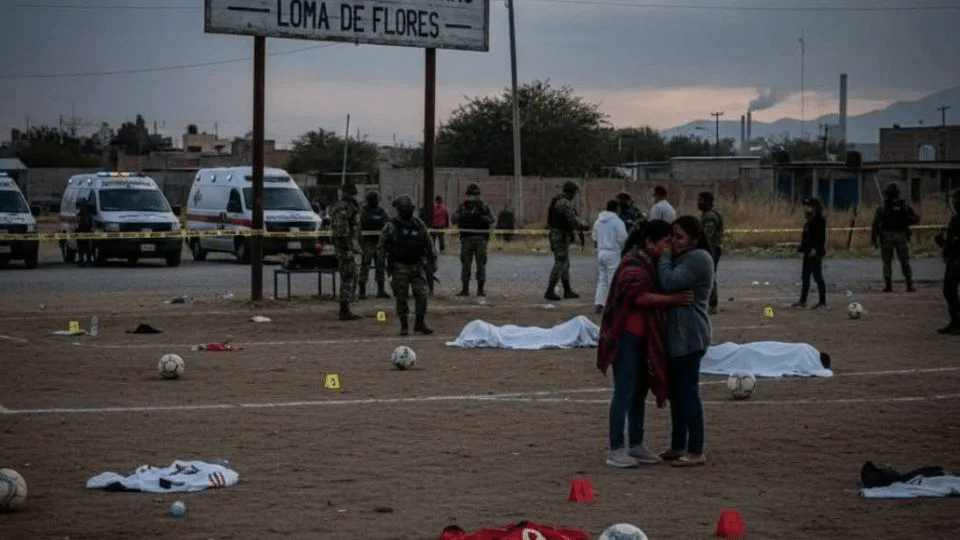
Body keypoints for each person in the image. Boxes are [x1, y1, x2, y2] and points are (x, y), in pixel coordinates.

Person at [597, 220, 694, 468]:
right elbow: (638, 297)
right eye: (665, 242)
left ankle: (636, 444)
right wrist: (673, 299)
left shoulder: (651, 264)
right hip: (626, 338)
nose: (668, 247)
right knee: (623, 393)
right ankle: (616, 448)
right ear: (650, 242)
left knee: (638, 393)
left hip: (643, 339)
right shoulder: (632, 264)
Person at [657, 215, 715, 467]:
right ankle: (678, 444)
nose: (674, 241)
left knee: (688, 393)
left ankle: (695, 450)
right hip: (677, 336)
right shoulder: (684, 257)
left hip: (690, 335)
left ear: (694, 239)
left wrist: (664, 256)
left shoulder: (698, 258)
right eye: (672, 236)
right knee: (676, 394)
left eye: (679, 237)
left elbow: (668, 281)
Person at [378, 194, 437, 336]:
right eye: (404, 209)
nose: (407, 211)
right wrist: (382, 263)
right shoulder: (391, 225)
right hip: (399, 265)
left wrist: (432, 261)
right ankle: (404, 325)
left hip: (417, 265)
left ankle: (419, 323)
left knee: (422, 295)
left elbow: (428, 243)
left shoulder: (418, 224)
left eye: (409, 209)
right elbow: (382, 246)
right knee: (401, 296)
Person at [872, 182, 920, 292]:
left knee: (887, 262)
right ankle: (909, 284)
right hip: (901, 235)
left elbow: (875, 225)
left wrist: (874, 239)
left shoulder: (882, 208)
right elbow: (915, 219)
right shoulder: (904, 206)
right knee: (904, 261)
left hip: (886, 237)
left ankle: (888, 286)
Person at [545, 180, 588, 301]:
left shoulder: (559, 201)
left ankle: (567, 290)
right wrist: (582, 226)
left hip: (560, 235)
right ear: (572, 192)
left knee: (565, 264)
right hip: (560, 235)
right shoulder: (564, 202)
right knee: (560, 262)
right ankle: (550, 290)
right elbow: (572, 219)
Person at [452, 183, 495, 297]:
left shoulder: (483, 207)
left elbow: (492, 220)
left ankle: (480, 289)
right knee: (466, 264)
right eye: (471, 195)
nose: (472, 197)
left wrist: (480, 216)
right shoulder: (463, 207)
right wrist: (464, 215)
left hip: (480, 238)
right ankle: (465, 289)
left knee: (480, 264)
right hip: (467, 238)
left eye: (474, 195)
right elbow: (454, 219)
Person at [330, 183, 362, 321]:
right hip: (346, 248)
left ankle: (347, 307)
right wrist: (347, 249)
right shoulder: (343, 208)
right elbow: (341, 232)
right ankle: (344, 309)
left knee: (351, 277)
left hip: (350, 246)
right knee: (347, 278)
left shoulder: (349, 206)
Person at [592, 200, 628, 314]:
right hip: (613, 252)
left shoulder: (598, 221)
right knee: (614, 279)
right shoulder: (618, 221)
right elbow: (623, 238)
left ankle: (599, 303)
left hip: (601, 251)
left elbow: (594, 237)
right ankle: (614, 304)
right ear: (617, 208)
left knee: (602, 279)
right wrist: (621, 248)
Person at [791, 197, 827, 310]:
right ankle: (803, 300)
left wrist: (816, 249)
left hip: (815, 252)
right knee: (805, 277)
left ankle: (822, 302)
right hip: (807, 251)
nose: (806, 208)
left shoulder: (819, 219)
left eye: (808, 205)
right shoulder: (808, 219)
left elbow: (820, 237)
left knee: (817, 277)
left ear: (814, 206)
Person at [934, 189, 960, 335]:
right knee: (950, 291)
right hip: (954, 258)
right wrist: (944, 243)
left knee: (950, 290)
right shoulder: (955, 219)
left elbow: (955, 243)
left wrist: (946, 245)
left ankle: (956, 322)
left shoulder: (957, 220)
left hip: (957, 260)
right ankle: (955, 322)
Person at [359, 191, 391, 300]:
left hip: (379, 243)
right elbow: (361, 225)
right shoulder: (364, 212)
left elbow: (387, 224)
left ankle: (381, 290)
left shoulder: (381, 212)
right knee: (365, 267)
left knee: (380, 267)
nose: (375, 202)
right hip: (367, 243)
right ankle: (362, 291)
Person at [698, 191, 724, 315]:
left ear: (708, 202)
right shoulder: (707, 215)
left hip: (711, 248)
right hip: (711, 248)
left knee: (709, 275)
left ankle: (712, 304)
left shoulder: (709, 217)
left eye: (701, 200)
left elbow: (708, 235)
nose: (698, 203)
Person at [75, 200, 94, 266]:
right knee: (82, 249)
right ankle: (82, 261)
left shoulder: (87, 215)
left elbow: (91, 225)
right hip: (81, 234)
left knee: (86, 248)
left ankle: (87, 260)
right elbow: (76, 225)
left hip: (86, 234)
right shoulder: (80, 216)